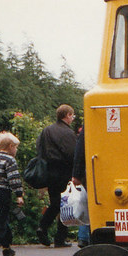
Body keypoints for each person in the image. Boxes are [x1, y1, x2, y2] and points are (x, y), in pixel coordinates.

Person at [36, 104, 78, 247]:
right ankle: (60, 238)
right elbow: (72, 153)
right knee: (66, 203)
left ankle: (42, 227)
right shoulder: (67, 133)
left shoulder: (46, 130)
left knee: (55, 203)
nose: (72, 118)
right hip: (64, 171)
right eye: (72, 115)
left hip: (50, 171)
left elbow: (39, 148)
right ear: (67, 115)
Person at [71, 126, 91, 248]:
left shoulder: (90, 123)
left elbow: (80, 150)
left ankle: (83, 237)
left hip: (93, 171)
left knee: (88, 203)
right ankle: (84, 236)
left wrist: (77, 174)